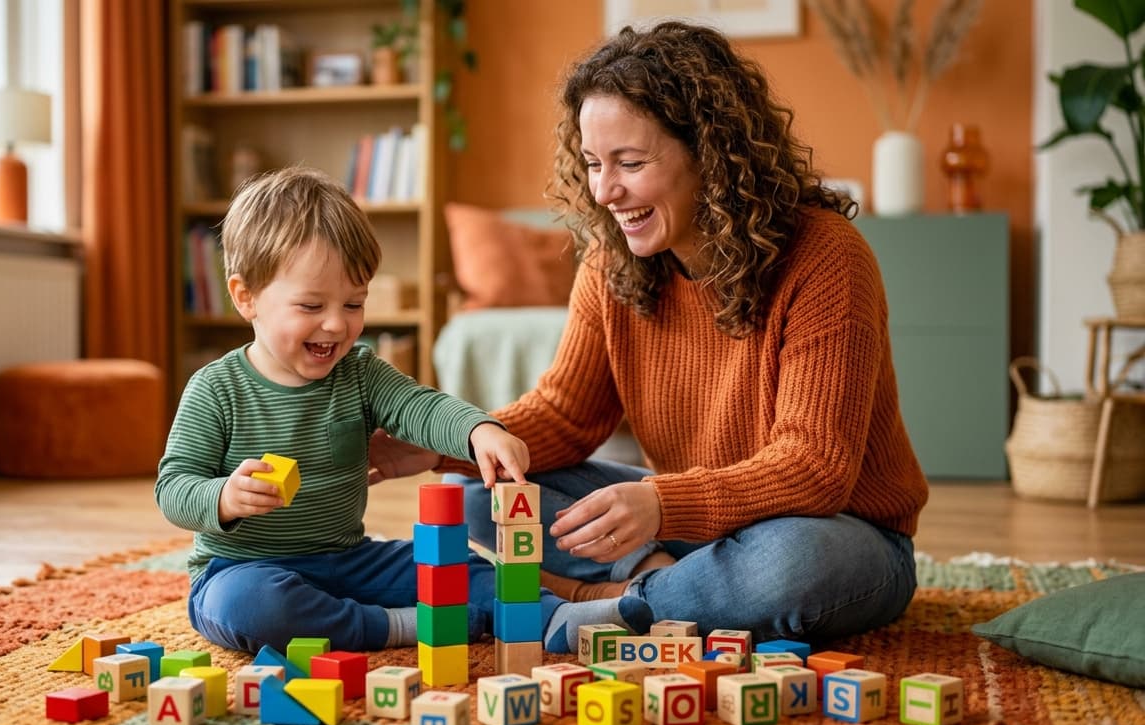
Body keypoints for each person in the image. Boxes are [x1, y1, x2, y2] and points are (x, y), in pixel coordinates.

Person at [368, 22, 928, 644]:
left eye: (630, 163)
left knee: (795, 562)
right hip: (693, 522)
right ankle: (669, 587)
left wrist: (660, 504)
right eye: (593, 164)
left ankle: (615, 605)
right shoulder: (612, 261)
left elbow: (815, 466)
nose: (606, 191)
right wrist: (437, 443)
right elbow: (564, 416)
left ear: (712, 155)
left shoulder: (826, 257)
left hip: (839, 532)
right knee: (479, 489)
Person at [155, 166, 652, 656]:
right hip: (242, 567)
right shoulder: (215, 389)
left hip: (351, 559)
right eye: (311, 307)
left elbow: (421, 407)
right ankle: (389, 627)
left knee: (455, 562)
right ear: (247, 299)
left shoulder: (360, 371)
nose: (335, 325)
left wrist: (477, 429)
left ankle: (553, 619)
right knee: (251, 607)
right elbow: (173, 488)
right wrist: (223, 496)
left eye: (353, 304)